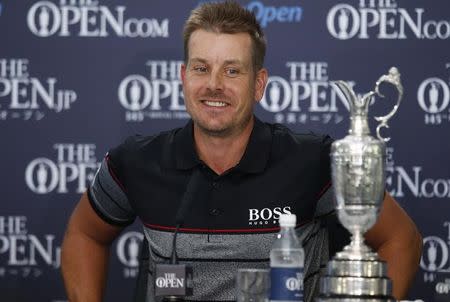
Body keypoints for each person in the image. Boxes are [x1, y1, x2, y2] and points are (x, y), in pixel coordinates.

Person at [61, 2, 422, 302]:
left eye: (232, 71)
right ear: (184, 77)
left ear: (258, 84)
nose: (214, 84)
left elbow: (400, 239)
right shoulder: (137, 161)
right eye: (202, 68)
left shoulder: (314, 161)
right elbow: (84, 234)